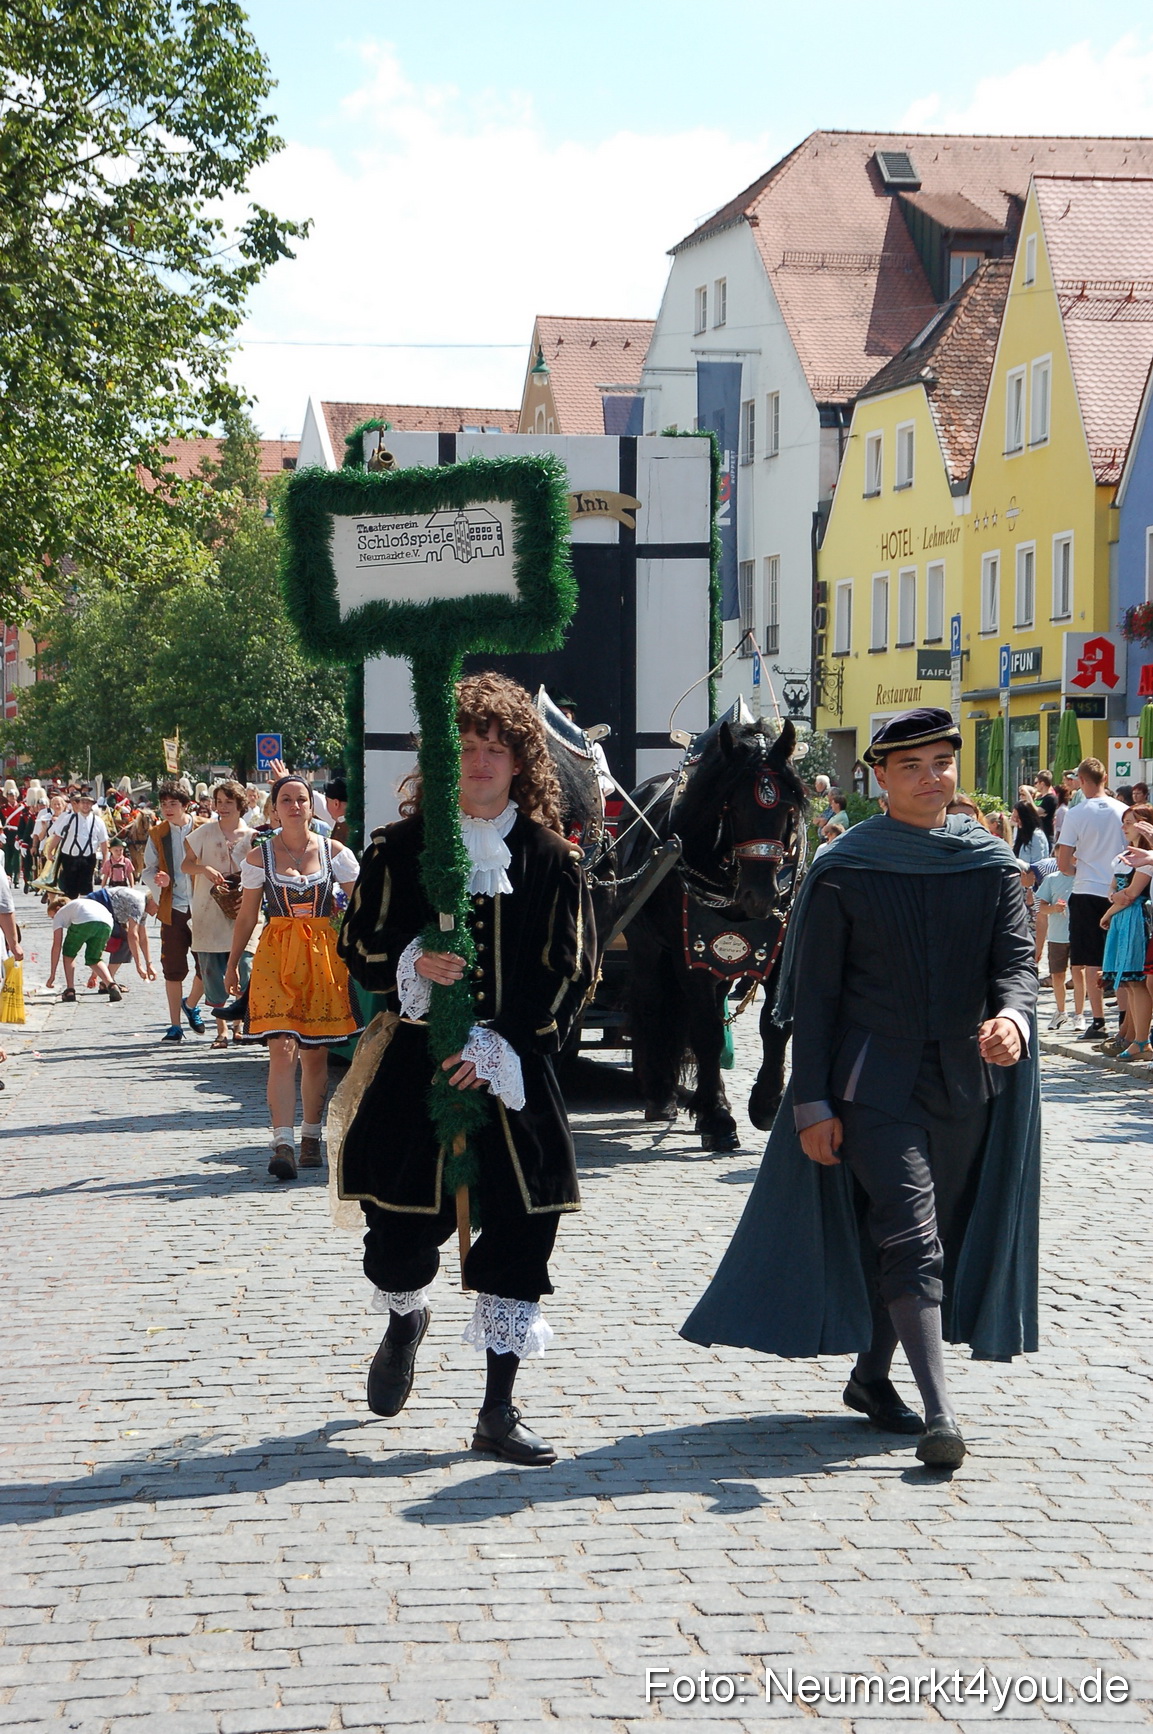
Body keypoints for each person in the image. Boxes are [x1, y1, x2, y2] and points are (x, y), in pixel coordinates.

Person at [682, 706, 1039, 1471]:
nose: (928, 778)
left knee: (923, 1236)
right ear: (877, 778)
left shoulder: (988, 863)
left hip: (964, 1087)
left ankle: (872, 1378)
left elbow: (1014, 962)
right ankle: (941, 1414)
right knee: (911, 1235)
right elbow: (812, 999)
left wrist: (1012, 1016)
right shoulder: (844, 866)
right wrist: (809, 1100)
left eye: (940, 763)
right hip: (871, 1083)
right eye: (909, 766)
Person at [337, 672, 595, 1467]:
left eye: (496, 749)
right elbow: (359, 946)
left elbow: (573, 969)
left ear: (521, 762)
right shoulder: (397, 849)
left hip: (512, 1074)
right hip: (415, 1069)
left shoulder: (551, 859)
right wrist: (413, 959)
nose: (480, 762)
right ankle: (404, 1317)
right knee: (397, 1238)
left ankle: (496, 1411)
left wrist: (503, 1048)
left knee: (522, 1237)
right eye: (466, 749)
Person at [225, 773, 360, 1178]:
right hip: (276, 956)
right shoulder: (258, 856)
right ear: (274, 808)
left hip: (323, 957)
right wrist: (233, 964)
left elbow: (362, 908)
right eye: (286, 799)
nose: (295, 806)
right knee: (281, 1050)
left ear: (310, 805)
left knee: (315, 1054)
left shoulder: (336, 852)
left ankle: (311, 1137)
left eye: (301, 799)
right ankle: (281, 1142)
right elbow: (248, 914)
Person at [1056, 758, 1128, 1044]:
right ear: (1106, 778)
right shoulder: (1123, 810)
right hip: (1120, 891)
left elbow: (1063, 863)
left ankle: (1098, 1021)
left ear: (1082, 781)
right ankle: (1125, 1017)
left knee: (1090, 960)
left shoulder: (1076, 813)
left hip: (1086, 889)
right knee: (1121, 958)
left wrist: (1080, 870)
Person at [183, 781, 257, 1049]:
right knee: (213, 971)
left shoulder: (252, 837)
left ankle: (239, 1026)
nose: (222, 807)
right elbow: (186, 864)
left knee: (244, 967)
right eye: (219, 802)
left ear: (239, 805)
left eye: (228, 802)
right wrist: (204, 869)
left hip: (243, 910)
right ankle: (222, 1031)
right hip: (208, 912)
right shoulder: (203, 833)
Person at [143, 785, 206, 1043]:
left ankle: (191, 1004)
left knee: (209, 967)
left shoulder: (204, 827)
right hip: (174, 909)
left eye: (173, 804)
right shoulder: (158, 833)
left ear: (185, 805)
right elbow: (148, 869)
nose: (168, 809)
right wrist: (160, 881)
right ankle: (175, 1026)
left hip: (203, 906)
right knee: (173, 968)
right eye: (164, 804)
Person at [1099, 804, 1153, 1061]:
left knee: (1137, 981)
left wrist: (1109, 911)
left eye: (1130, 822)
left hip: (1134, 919)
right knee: (1131, 983)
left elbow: (1130, 895)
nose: (1125, 827)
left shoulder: (1146, 860)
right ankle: (1131, 1036)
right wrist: (1114, 900)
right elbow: (1114, 891)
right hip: (1123, 918)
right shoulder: (1129, 857)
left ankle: (1140, 1039)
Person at [45, 892, 121, 1002]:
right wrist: (94, 976)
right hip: (107, 922)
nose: (53, 920)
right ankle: (111, 985)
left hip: (84, 920)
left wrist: (52, 975)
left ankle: (70, 990)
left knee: (68, 954)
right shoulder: (78, 904)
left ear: (57, 908)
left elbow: (57, 946)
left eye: (52, 916)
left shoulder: (60, 913)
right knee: (94, 958)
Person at [1035, 860, 1079, 1031]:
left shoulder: (1083, 879)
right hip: (1056, 936)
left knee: (1078, 975)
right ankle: (1061, 1011)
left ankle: (1079, 1014)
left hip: (1078, 935)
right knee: (1057, 976)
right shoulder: (1051, 879)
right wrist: (1054, 908)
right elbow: (1042, 909)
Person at [44, 789, 110, 898]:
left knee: (87, 889)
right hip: (69, 858)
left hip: (88, 859)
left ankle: (83, 913)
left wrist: (105, 860)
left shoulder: (98, 821)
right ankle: (71, 912)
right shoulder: (68, 819)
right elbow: (58, 836)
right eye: (83, 802)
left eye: (88, 803)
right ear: (78, 804)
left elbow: (104, 842)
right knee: (69, 890)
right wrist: (50, 851)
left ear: (92, 805)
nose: (85, 805)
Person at [1034, 771, 1058, 844]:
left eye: (1036, 783)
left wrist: (1027, 794)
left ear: (1042, 783)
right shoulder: (1038, 797)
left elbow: (1036, 811)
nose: (1035, 785)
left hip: (1046, 835)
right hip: (1036, 834)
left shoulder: (1051, 798)